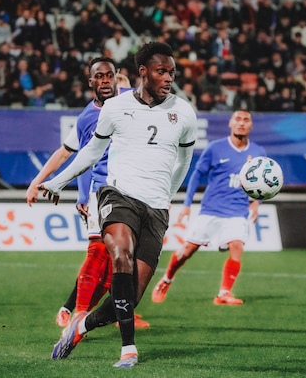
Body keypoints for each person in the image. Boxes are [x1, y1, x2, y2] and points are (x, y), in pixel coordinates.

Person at [38, 42, 197, 368]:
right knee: (120, 254)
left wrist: (167, 195)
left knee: (129, 296)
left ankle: (80, 326)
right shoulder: (115, 107)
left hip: (156, 209)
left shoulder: (183, 112)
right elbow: (90, 153)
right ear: (143, 72)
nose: (169, 78)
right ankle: (128, 350)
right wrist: (57, 181)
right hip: (118, 196)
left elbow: (183, 162)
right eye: (162, 71)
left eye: (172, 72)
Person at [26, 59, 149, 329]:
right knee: (99, 254)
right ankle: (78, 314)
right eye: (99, 76)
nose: (106, 81)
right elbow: (76, 155)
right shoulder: (87, 117)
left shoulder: (134, 101)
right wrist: (40, 182)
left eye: (110, 76)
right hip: (102, 192)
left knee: (121, 260)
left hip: (135, 190)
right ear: (90, 81)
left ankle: (104, 312)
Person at [151, 109, 266, 306]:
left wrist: (256, 203)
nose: (241, 123)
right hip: (211, 209)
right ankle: (166, 279)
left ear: (251, 126)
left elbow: (263, 184)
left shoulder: (258, 153)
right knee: (187, 250)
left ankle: (224, 293)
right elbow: (197, 175)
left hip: (238, 210)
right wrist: (187, 205)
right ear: (230, 123)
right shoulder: (216, 148)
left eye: (246, 120)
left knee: (237, 246)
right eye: (237, 119)